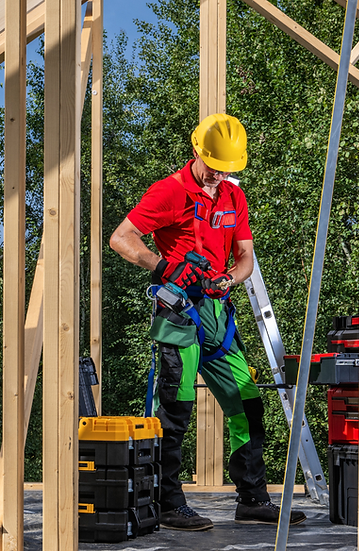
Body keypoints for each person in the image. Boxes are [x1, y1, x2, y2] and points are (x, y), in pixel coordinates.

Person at [110, 114, 306, 531]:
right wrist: (164, 266)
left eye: (229, 169)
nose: (221, 175)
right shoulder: (170, 192)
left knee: (247, 402)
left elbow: (245, 259)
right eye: (215, 166)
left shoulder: (234, 197)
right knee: (177, 408)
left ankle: (252, 498)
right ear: (197, 151)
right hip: (178, 312)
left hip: (218, 314)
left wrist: (228, 278)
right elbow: (121, 238)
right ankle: (168, 503)